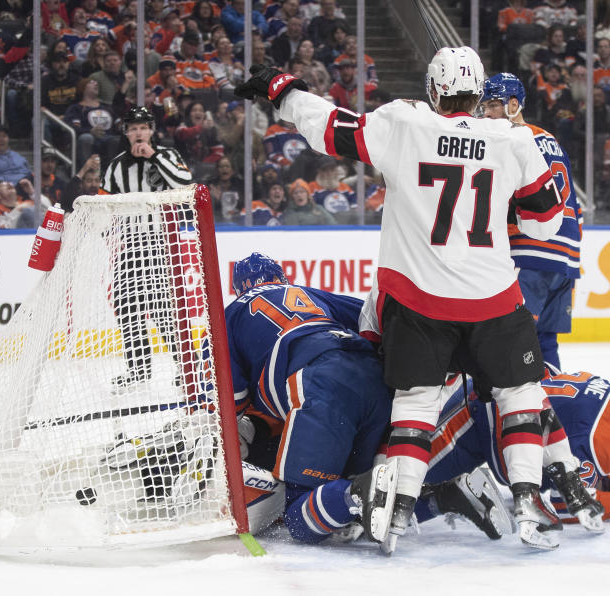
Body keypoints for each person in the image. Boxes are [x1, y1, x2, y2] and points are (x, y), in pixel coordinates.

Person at [234, 46, 568, 552]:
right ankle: (528, 497)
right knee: (518, 394)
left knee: (416, 402)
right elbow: (548, 219)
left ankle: (399, 510)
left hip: (421, 302)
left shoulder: (405, 124)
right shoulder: (513, 139)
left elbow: (331, 128)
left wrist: (283, 91)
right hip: (494, 298)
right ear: (479, 95)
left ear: (434, 90)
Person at [225, 253, 397, 545]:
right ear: (281, 277)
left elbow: (232, 404)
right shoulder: (307, 293)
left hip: (320, 384)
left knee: (298, 518)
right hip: (373, 378)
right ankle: (435, 497)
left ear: (240, 286)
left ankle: (356, 492)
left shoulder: (231, 314)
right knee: (349, 495)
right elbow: (374, 318)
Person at [422, 369, 610, 527]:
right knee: (400, 489)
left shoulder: (609, 392)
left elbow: (573, 465)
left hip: (491, 410)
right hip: (478, 420)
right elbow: (567, 505)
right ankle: (448, 498)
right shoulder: (605, 439)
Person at [481, 73, 580, 372]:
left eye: (493, 105)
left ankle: (511, 413)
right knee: (545, 341)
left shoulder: (512, 141)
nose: (486, 113)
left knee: (511, 339)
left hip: (532, 250)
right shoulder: (548, 138)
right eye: (483, 106)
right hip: (566, 258)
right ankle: (552, 400)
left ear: (514, 104)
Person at [99, 106, 193, 388]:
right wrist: (106, 232)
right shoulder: (116, 165)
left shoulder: (168, 156)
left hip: (162, 242)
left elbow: (185, 185)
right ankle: (139, 370)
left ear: (151, 131)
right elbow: (103, 202)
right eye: (133, 128)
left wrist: (154, 157)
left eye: (143, 127)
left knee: (161, 305)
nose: (138, 133)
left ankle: (185, 367)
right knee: (125, 302)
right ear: (126, 133)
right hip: (131, 243)